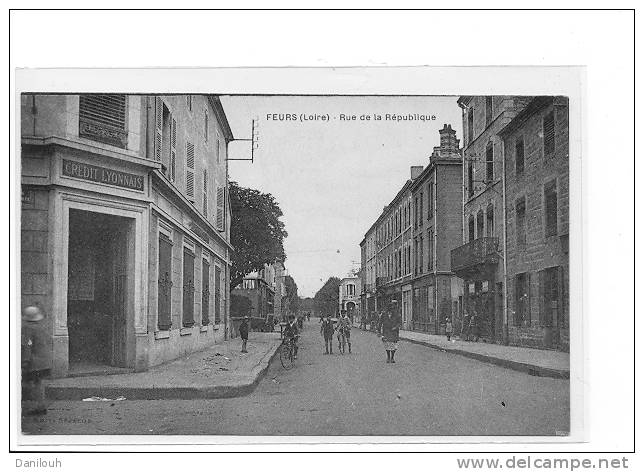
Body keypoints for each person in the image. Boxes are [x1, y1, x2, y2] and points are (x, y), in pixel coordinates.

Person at [21, 305, 50, 416]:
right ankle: (40, 406)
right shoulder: (41, 327)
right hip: (44, 360)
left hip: (34, 362)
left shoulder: (27, 329)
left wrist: (25, 361)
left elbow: (28, 345)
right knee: (38, 383)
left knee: (29, 383)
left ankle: (39, 407)